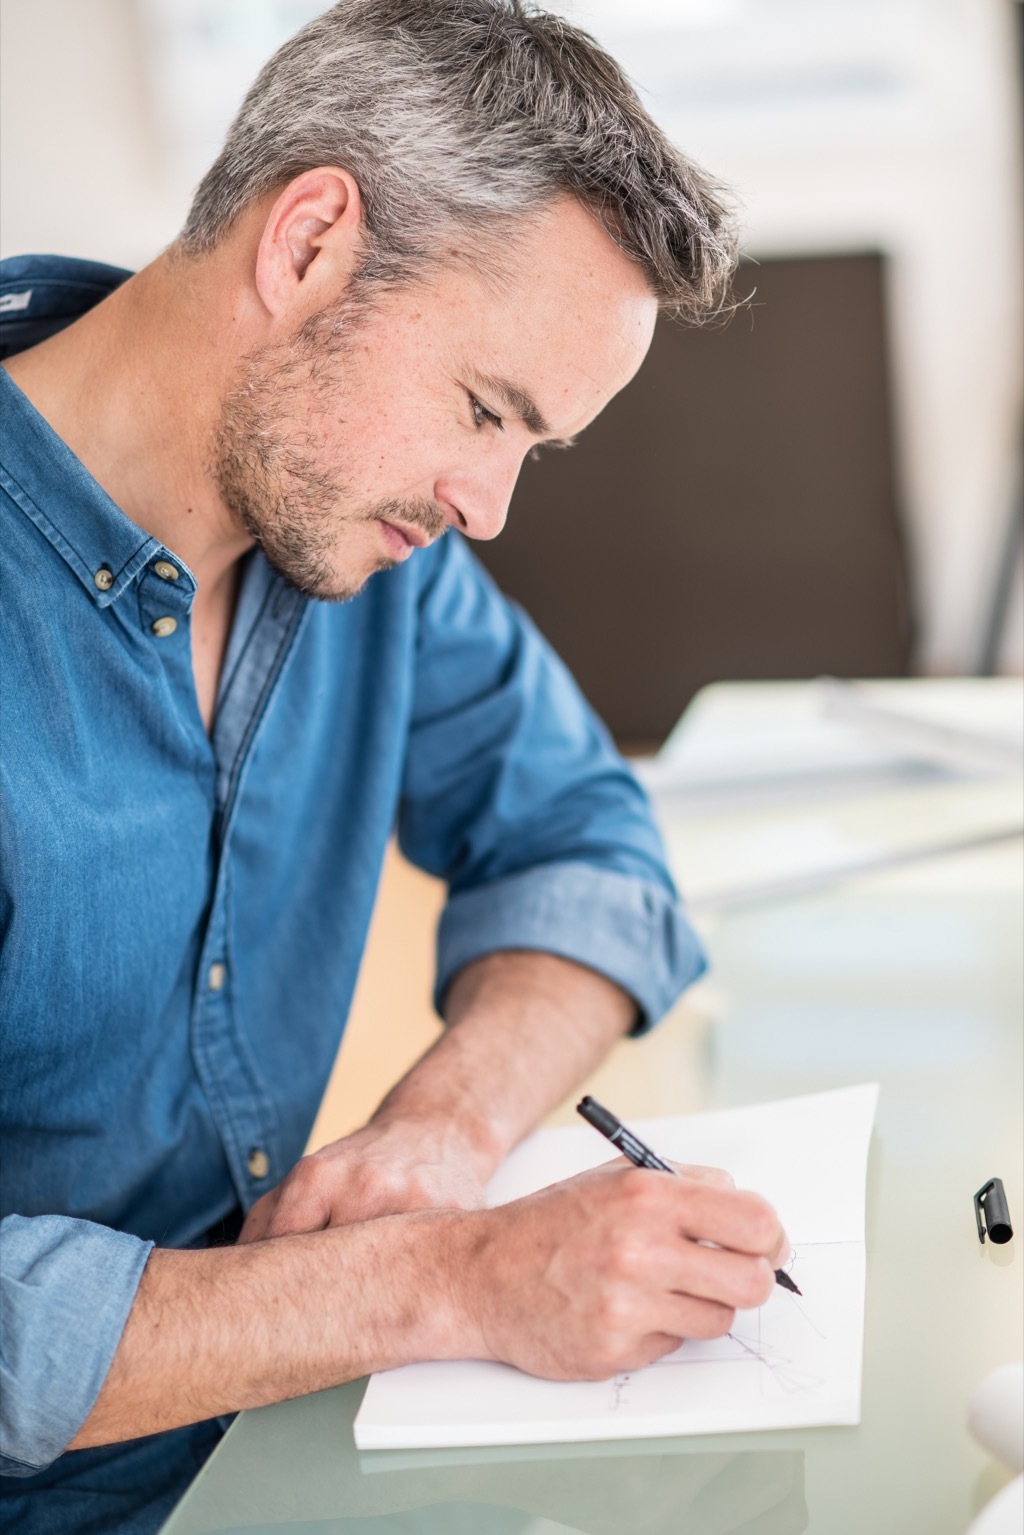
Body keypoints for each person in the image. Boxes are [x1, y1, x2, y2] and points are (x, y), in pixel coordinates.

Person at [0, 2, 789, 1530]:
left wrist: (450, 1122)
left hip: (268, 1448)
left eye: (529, 447)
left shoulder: (364, 546)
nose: (488, 505)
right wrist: (439, 1277)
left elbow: (585, 844)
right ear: (305, 248)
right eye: (485, 410)